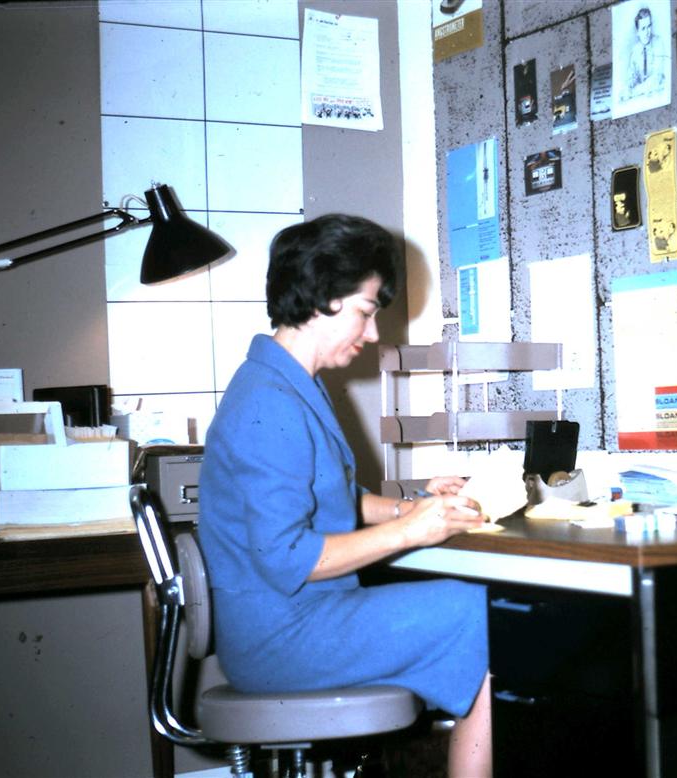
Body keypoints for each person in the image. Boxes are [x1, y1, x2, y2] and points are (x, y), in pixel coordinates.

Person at [198, 214, 493, 777]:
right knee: (484, 612)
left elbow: (330, 498)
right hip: (282, 639)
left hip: (293, 622)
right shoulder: (269, 403)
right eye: (365, 311)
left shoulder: (289, 382)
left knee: (475, 611)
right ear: (321, 297)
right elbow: (290, 557)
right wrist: (410, 530)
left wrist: (409, 506)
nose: (373, 333)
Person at [624, 6, 667, 100]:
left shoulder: (658, 43)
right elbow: (630, 77)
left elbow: (657, 77)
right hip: (641, 98)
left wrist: (634, 92)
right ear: (637, 32)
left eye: (649, 26)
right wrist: (628, 88)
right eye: (643, 28)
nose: (647, 32)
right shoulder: (635, 51)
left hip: (659, 95)